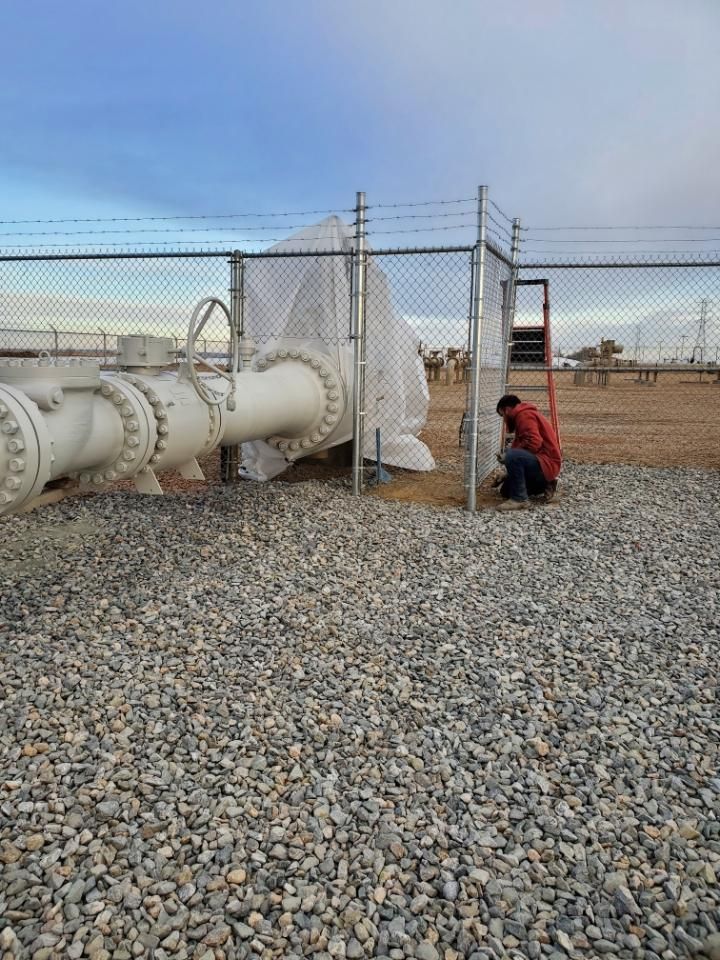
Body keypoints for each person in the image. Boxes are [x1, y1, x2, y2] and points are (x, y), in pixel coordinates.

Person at [494, 395, 561, 512]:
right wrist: (507, 475)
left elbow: (534, 443)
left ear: (507, 410)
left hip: (546, 463)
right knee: (506, 491)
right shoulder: (523, 415)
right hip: (543, 464)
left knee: (512, 455)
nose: (504, 419)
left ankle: (520, 499)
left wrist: (508, 456)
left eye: (502, 415)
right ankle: (546, 484)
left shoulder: (524, 416)